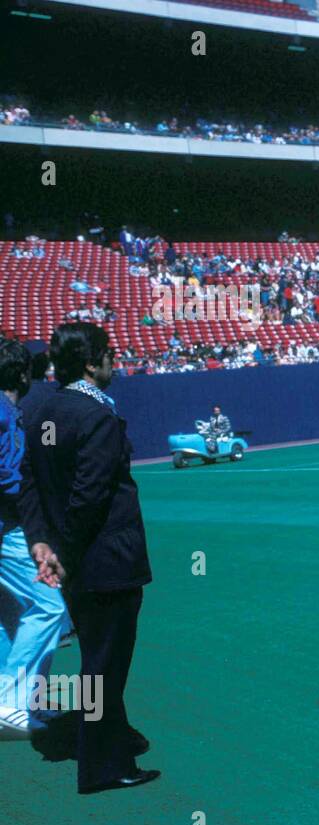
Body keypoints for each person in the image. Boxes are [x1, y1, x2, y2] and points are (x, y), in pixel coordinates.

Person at [24, 323, 158, 794]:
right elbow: (90, 496)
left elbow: (32, 485)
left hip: (79, 565)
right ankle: (102, 765)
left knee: (97, 663)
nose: (114, 362)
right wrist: (62, 552)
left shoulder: (42, 411)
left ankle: (111, 742)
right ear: (89, 363)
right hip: (107, 563)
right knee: (105, 667)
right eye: (107, 354)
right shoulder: (96, 416)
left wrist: (43, 543)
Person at [0, 339, 68, 737]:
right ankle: (10, 701)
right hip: (7, 528)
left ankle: (25, 702)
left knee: (11, 617)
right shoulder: (6, 411)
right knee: (49, 607)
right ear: (23, 374)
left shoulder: (13, 411)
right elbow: (11, 477)